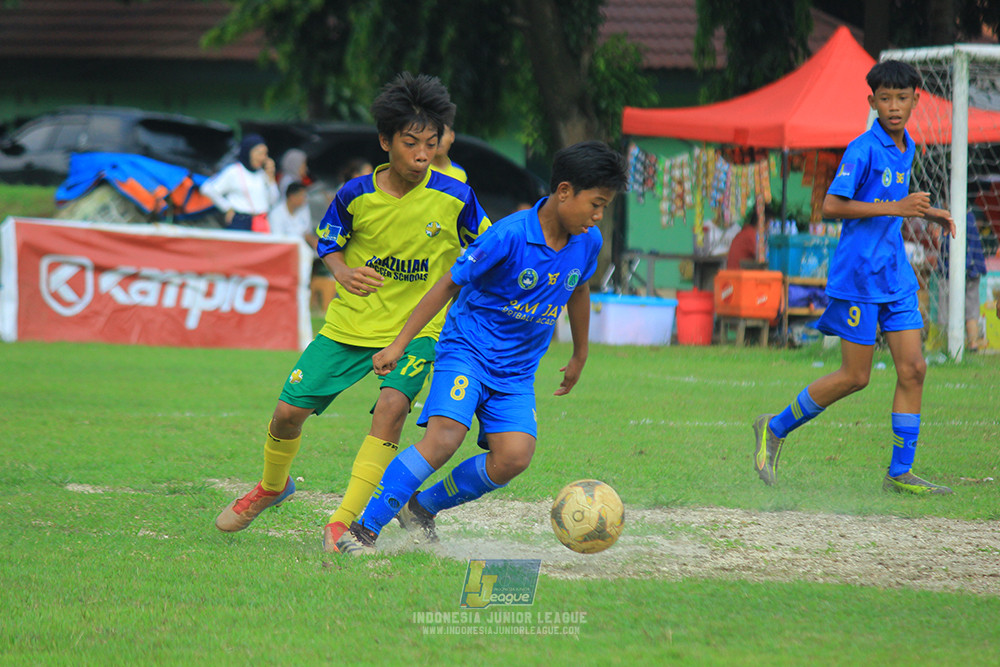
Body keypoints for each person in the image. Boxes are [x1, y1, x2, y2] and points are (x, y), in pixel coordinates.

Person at [214, 73, 491, 543]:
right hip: (348, 326)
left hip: (418, 330)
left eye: (430, 143)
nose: (422, 155)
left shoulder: (456, 197)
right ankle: (272, 487)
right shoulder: (355, 195)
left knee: (392, 408)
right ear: (386, 141)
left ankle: (343, 519)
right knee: (285, 414)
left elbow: (487, 250)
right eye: (410, 144)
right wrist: (341, 271)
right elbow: (328, 241)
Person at [334, 140, 628, 555]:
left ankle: (421, 507)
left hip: (517, 371)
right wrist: (401, 343)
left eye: (605, 207)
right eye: (595, 204)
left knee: (514, 456)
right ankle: (365, 530)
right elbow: (448, 284)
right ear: (564, 191)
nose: (598, 216)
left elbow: (578, 290)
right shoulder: (507, 236)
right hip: (467, 350)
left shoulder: (587, 241)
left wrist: (580, 352)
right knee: (445, 438)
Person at [752, 61, 956, 495]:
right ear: (872, 102)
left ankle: (900, 472)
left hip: (894, 274)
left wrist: (927, 212)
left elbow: (892, 200)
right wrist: (897, 208)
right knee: (855, 377)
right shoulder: (862, 148)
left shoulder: (907, 147)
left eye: (902, 98)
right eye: (885, 99)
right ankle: (774, 426)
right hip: (859, 276)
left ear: (916, 100)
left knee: (915, 368)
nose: (894, 106)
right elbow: (832, 206)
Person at [201, 134, 279, 232]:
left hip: (260, 222)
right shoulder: (233, 171)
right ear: (248, 152)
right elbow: (208, 189)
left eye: (265, 154)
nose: (262, 157)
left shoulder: (262, 174)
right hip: (240, 221)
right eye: (259, 153)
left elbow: (273, 201)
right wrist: (227, 208)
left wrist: (271, 179)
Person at [938, 208, 988, 351]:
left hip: (954, 269)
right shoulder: (970, 216)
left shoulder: (951, 217)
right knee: (971, 307)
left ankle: (951, 345)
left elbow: (947, 245)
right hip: (973, 268)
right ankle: (972, 344)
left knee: (948, 307)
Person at [726, 205, 774, 270]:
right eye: (770, 224)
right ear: (762, 222)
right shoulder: (751, 235)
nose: (770, 227)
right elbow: (763, 258)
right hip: (739, 275)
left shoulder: (747, 232)